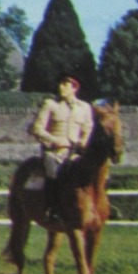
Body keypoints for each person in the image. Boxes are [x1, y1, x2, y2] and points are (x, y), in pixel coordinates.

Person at [30, 72, 95, 224]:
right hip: (54, 152)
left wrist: (83, 140)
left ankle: (102, 205)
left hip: (75, 152)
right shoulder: (50, 104)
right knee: (53, 174)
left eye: (65, 84)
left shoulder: (84, 107)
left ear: (75, 87)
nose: (61, 87)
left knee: (97, 172)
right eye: (60, 83)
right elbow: (37, 128)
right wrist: (54, 140)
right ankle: (52, 209)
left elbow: (88, 128)